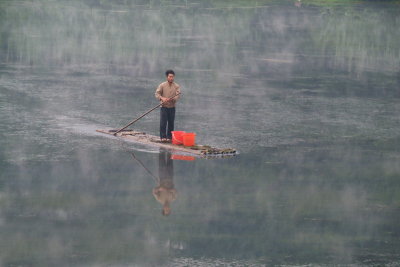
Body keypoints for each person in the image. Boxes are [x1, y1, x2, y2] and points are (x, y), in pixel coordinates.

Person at [155, 70, 181, 142]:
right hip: (164, 106)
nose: (171, 78)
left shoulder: (176, 86)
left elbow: (178, 95)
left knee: (171, 122)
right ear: (167, 77)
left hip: (172, 107)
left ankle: (169, 137)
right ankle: (163, 137)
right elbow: (157, 94)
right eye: (170, 76)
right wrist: (162, 98)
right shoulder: (162, 85)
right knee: (163, 122)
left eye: (172, 77)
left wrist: (172, 99)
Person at [152, 152, 177, 216]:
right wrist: (169, 190)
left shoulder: (159, 199)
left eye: (166, 210)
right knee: (170, 158)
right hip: (170, 177)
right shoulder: (173, 198)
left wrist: (160, 188)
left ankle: (161, 145)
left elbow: (154, 191)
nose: (167, 208)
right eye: (168, 210)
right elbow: (175, 191)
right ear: (170, 209)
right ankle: (170, 147)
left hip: (162, 177)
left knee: (161, 158)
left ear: (163, 208)